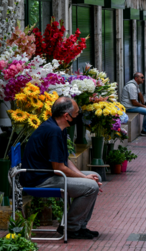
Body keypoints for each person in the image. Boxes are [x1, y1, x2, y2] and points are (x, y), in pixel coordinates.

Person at [21, 97, 102, 240]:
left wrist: (86, 177)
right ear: (67, 116)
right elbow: (58, 167)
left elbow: (64, 161)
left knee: (95, 177)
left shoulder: (60, 128)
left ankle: (80, 226)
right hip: (40, 180)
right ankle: (71, 228)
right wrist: (84, 179)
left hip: (50, 174)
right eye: (77, 113)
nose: (78, 116)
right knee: (91, 186)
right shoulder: (54, 132)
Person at [120, 72, 146, 137]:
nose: (143, 79)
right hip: (128, 107)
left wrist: (143, 103)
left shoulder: (135, 85)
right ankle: (144, 131)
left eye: (143, 77)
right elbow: (134, 102)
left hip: (132, 106)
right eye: (142, 77)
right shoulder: (132, 86)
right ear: (136, 78)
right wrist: (143, 106)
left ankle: (145, 129)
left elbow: (140, 94)